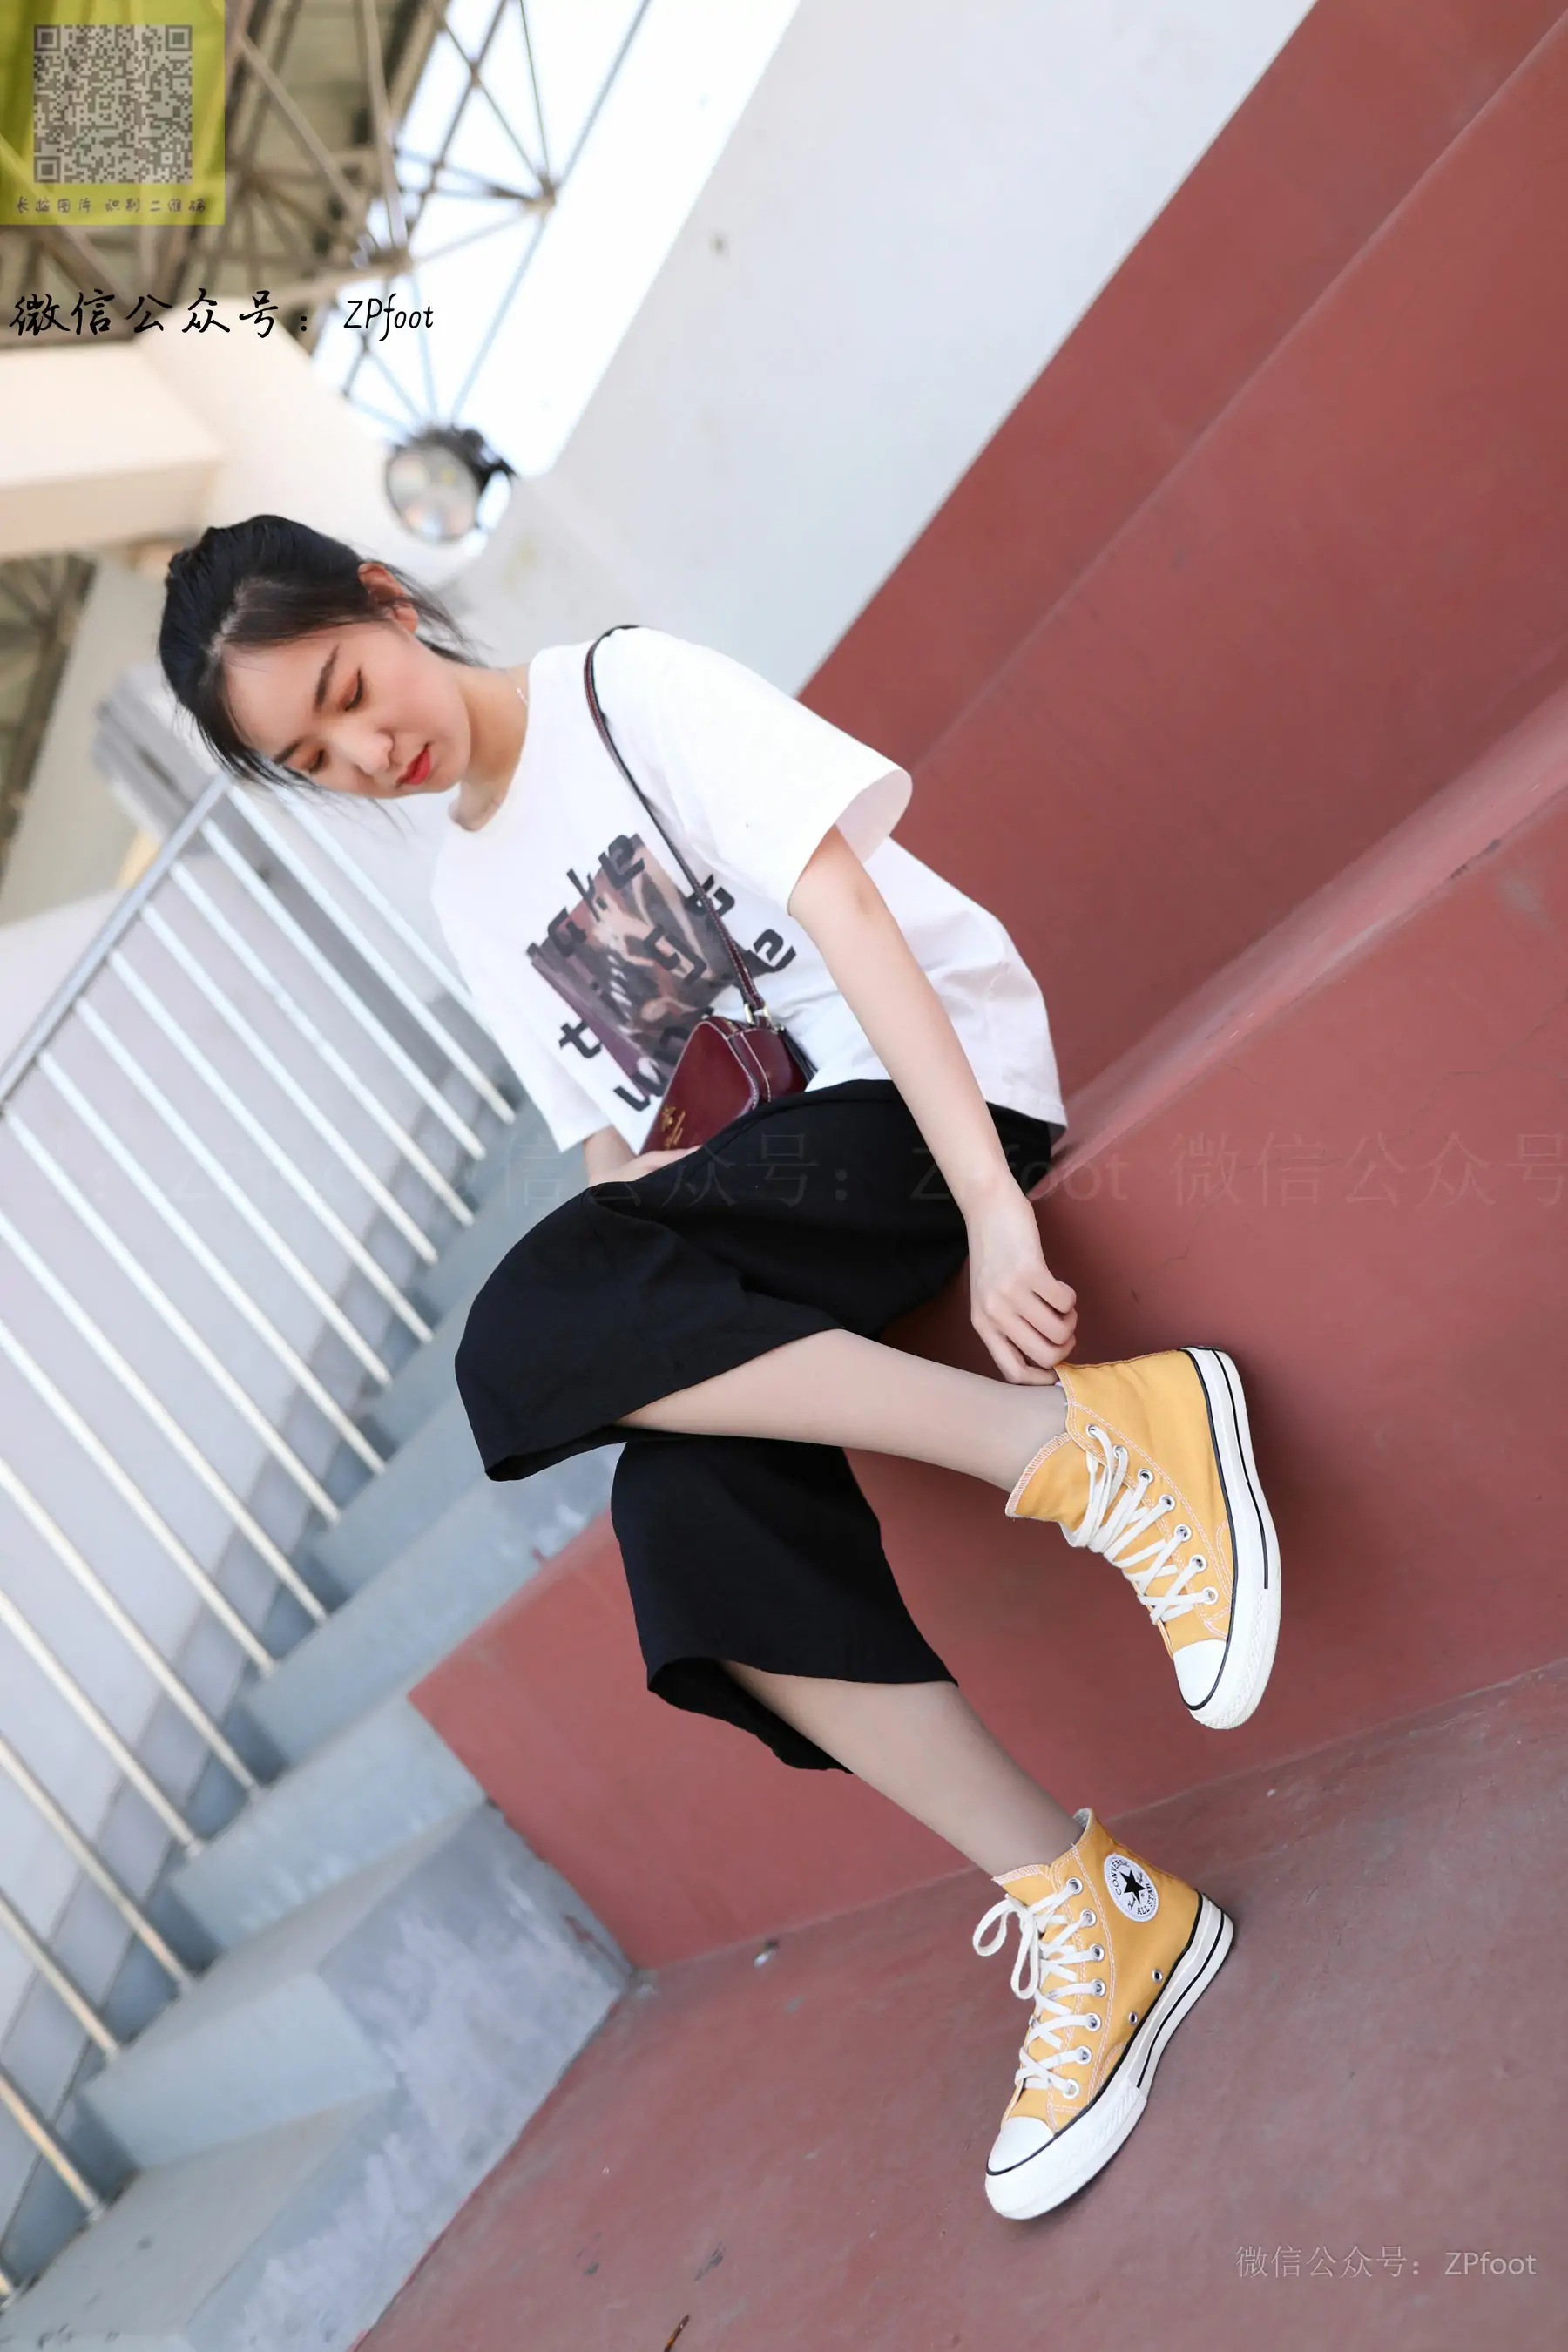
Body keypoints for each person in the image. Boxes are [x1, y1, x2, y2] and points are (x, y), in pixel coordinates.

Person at [158, 513, 1281, 2222]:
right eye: (315, 760)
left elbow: (845, 907)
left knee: (519, 1332)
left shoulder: (628, 692)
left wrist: (993, 1205)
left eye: (348, 690)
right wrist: (658, 1256)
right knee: (681, 1522)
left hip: (920, 1105)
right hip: (764, 1197)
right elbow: (614, 1156)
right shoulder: (466, 896)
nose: (369, 753)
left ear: (385, 601)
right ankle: (1092, 1911)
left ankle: (1082, 1451)